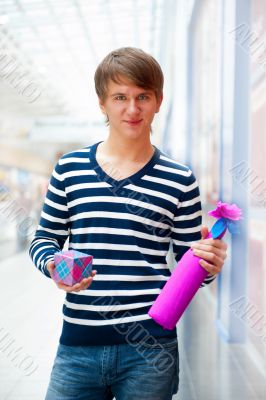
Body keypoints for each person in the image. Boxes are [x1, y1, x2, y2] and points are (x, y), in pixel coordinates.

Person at [29, 47, 227, 400]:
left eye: (142, 97)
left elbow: (190, 267)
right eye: (120, 97)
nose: (132, 109)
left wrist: (208, 264)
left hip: (151, 351)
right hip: (78, 346)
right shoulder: (70, 169)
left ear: (158, 101)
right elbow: (44, 238)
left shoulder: (180, 180)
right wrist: (54, 265)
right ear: (102, 103)